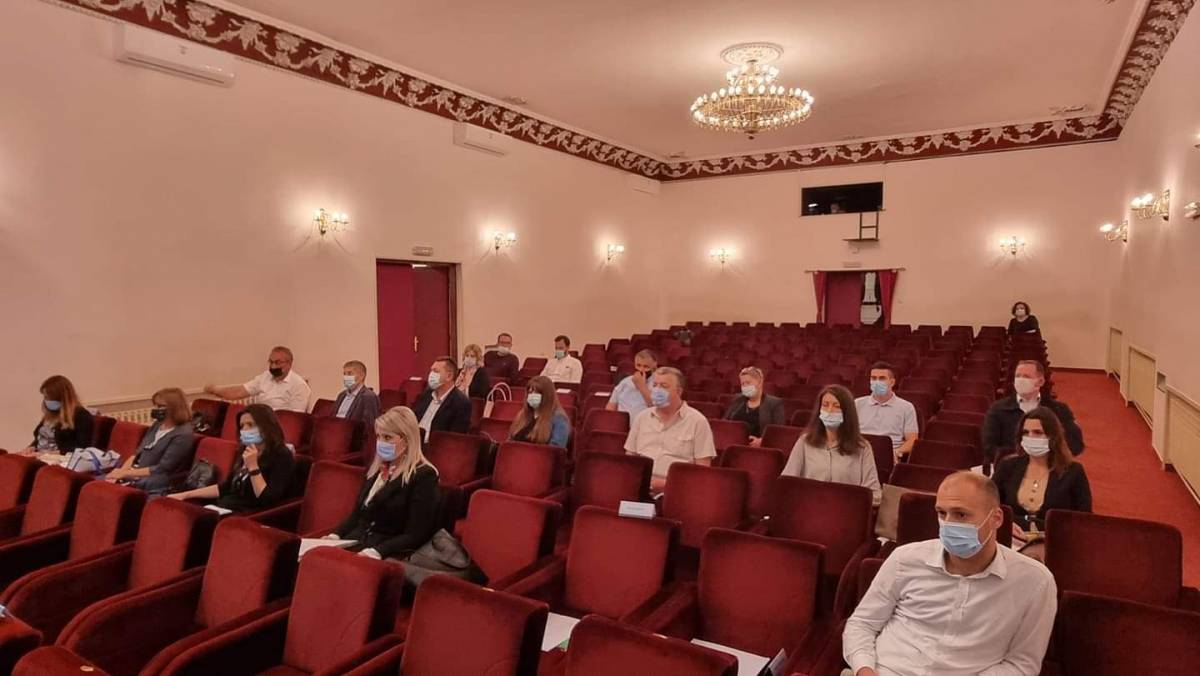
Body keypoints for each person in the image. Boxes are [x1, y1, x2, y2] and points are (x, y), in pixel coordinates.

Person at [842, 471, 1057, 676]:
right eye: (941, 513)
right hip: (886, 669)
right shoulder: (905, 559)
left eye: (961, 514)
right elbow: (862, 624)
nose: (948, 524)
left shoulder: (1034, 582)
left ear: (996, 518)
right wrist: (865, 670)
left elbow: (1022, 663)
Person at [325, 407, 440, 560]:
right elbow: (356, 515)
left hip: (385, 552)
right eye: (378, 437)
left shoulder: (424, 475)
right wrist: (335, 536)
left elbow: (416, 534)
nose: (380, 443)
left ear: (407, 440)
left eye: (387, 437)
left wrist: (376, 552)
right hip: (356, 542)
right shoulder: (377, 469)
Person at [992, 407, 1092, 560]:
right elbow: (988, 502)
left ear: (1052, 437)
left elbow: (1084, 519)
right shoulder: (1008, 466)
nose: (1030, 437)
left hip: (1055, 543)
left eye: (1037, 433)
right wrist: (1006, 523)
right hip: (1011, 541)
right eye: (1026, 433)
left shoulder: (1074, 471)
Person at [168, 404, 296, 512]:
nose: (245, 430)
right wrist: (186, 495)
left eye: (251, 425)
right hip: (224, 508)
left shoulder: (281, 455)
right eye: (242, 426)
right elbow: (225, 487)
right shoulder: (245, 451)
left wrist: (253, 467)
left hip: (247, 515)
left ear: (266, 426)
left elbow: (266, 499)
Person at [782, 385, 881, 504]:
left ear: (847, 412)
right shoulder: (805, 442)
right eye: (825, 405)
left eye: (836, 406)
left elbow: (875, 494)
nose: (829, 410)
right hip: (809, 507)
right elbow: (787, 482)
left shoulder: (862, 447)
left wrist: (849, 501)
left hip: (845, 509)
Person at [624, 367, 716, 492]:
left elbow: (702, 471)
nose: (657, 390)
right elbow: (630, 458)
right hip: (640, 486)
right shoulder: (642, 417)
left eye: (664, 386)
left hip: (677, 490)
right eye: (655, 385)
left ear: (678, 391)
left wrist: (667, 484)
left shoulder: (698, 422)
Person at [982, 360, 1083, 460]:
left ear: (1041, 381)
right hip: (1010, 465)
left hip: (1050, 465)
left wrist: (1047, 457)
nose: (1021, 380)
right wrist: (1016, 460)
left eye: (1026, 376)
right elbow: (989, 446)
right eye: (1018, 376)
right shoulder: (998, 409)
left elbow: (1075, 444)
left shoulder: (1058, 409)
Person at [106, 388, 195, 492]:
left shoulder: (183, 434)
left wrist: (126, 474)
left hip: (157, 480)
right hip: (136, 474)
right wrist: (120, 473)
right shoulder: (157, 425)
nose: (156, 409)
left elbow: (163, 468)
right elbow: (137, 454)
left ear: (174, 408)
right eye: (155, 405)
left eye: (161, 406)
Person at [204, 346, 311, 412]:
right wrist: (216, 391)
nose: (273, 366)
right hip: (259, 423)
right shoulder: (265, 377)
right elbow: (239, 391)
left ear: (289, 364)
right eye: (271, 362)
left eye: (278, 362)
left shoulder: (299, 386)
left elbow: (294, 420)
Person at [855, 362, 919, 461]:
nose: (877, 382)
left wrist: (898, 452)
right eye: (873, 378)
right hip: (859, 452)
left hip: (889, 454)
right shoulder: (857, 404)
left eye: (882, 378)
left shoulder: (906, 407)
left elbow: (912, 440)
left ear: (892, 382)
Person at [23, 375, 94, 455]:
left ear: (62, 397)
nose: (47, 401)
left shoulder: (81, 415)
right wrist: (32, 447)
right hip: (40, 455)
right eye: (45, 397)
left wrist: (51, 453)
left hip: (58, 458)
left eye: (50, 398)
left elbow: (82, 447)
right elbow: (41, 438)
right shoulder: (50, 414)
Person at [722, 367, 786, 446]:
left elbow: (779, 432)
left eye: (748, 383)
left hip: (760, 448)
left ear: (760, 382)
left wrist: (762, 441)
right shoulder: (737, 399)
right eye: (743, 384)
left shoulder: (774, 403)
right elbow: (725, 422)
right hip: (735, 443)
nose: (745, 386)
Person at [410, 357, 472, 436]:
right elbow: (413, 418)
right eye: (431, 370)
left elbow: (454, 437)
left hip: (433, 442)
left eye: (435, 371)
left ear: (449, 376)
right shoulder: (426, 394)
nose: (431, 375)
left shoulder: (461, 403)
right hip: (412, 439)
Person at [509, 376, 571, 447]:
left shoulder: (559, 418)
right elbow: (511, 440)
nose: (532, 396)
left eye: (536, 393)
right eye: (530, 392)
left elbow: (556, 449)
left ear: (547, 395)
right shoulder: (523, 415)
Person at [606, 349, 658, 417]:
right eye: (638, 365)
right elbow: (611, 407)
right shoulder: (625, 382)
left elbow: (656, 407)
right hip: (623, 420)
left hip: (645, 421)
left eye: (646, 367)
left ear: (653, 366)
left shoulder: (658, 383)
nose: (641, 369)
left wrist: (642, 386)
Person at [332, 360, 381, 424]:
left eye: (349, 373)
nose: (346, 377)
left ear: (362, 376)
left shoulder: (369, 396)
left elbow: (369, 424)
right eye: (344, 374)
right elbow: (332, 417)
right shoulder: (342, 395)